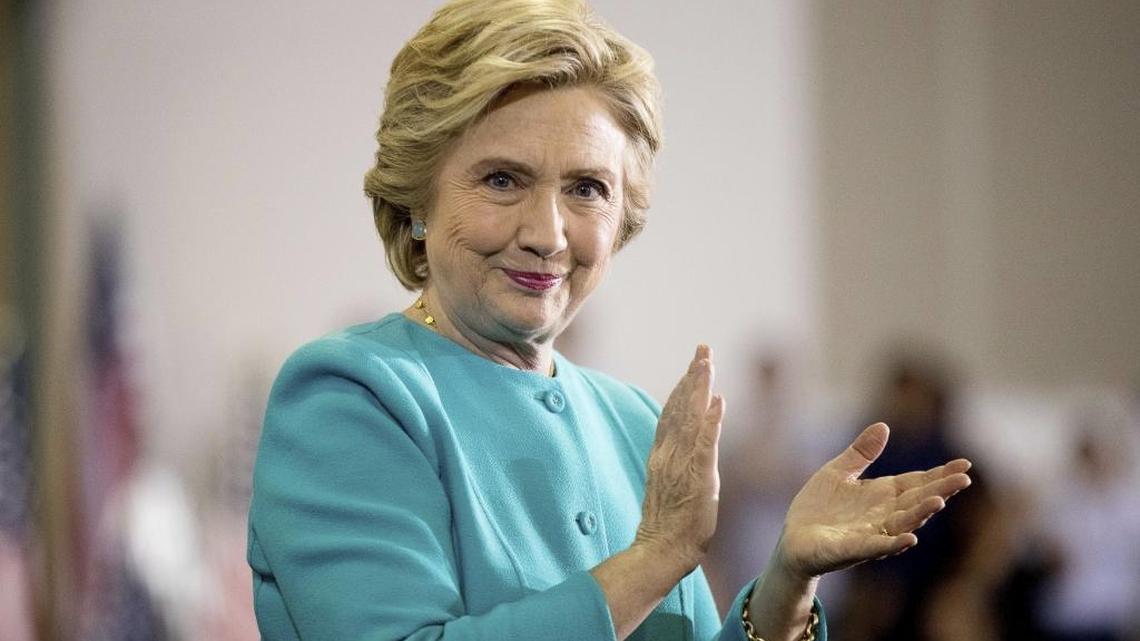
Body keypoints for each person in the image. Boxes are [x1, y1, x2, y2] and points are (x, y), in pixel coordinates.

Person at [246, 1, 973, 640]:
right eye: (503, 179)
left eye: (587, 188)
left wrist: (787, 578)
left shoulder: (633, 421)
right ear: (415, 199)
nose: (549, 233)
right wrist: (656, 555)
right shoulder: (349, 396)